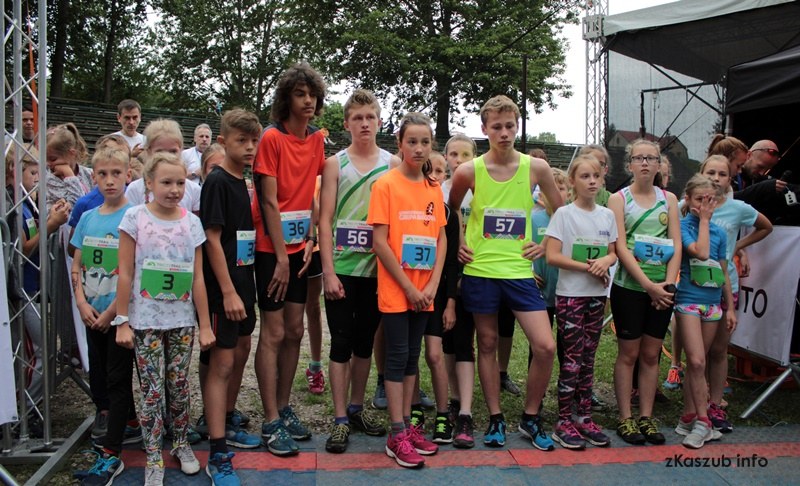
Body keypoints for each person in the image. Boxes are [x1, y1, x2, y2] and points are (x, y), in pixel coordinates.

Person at [448, 95, 563, 451]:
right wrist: (459, 243)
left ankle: (530, 416)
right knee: (487, 343)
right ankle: (495, 417)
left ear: (517, 126)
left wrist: (544, 244)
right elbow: (450, 214)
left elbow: (562, 212)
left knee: (545, 346)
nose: (504, 133)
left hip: (518, 270)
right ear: (484, 129)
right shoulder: (468, 171)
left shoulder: (536, 168)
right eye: (496, 126)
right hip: (481, 269)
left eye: (510, 126)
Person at [115, 152, 214, 485]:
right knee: (152, 390)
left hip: (181, 321)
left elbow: (198, 278)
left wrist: (205, 325)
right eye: (166, 182)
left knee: (179, 384)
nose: (174, 190)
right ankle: (154, 454)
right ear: (149, 183)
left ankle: (181, 443)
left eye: (180, 183)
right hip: (145, 322)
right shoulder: (134, 218)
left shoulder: (192, 223)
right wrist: (122, 320)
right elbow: (125, 272)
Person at [251, 62, 326, 456]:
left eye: (312, 94)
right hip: (272, 250)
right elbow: (268, 201)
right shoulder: (271, 138)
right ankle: (269, 420)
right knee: (274, 332)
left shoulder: (316, 140)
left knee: (296, 330)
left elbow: (312, 193)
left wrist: (311, 236)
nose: (308, 101)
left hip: (301, 248)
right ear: (287, 99)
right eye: (300, 94)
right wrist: (281, 257)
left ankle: (283, 407)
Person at [319, 89, 397, 454]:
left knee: (365, 343)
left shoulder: (393, 164)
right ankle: (338, 419)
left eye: (370, 117)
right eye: (357, 118)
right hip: (342, 268)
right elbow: (324, 220)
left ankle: (355, 408)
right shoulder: (334, 164)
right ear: (347, 123)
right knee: (341, 342)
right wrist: (328, 272)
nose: (364, 124)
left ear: (379, 122)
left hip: (377, 270)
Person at [367, 112, 445, 468]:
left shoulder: (433, 187)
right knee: (397, 358)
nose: (418, 148)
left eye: (425, 142)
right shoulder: (385, 185)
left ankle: (408, 427)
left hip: (424, 292)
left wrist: (431, 285)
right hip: (398, 292)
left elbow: (441, 239)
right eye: (411, 141)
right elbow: (380, 243)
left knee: (413, 357)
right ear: (399, 143)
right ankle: (396, 433)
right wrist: (409, 288)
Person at [199, 109, 263, 485]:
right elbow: (211, 239)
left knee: (238, 352)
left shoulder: (244, 180)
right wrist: (226, 292)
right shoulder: (217, 181)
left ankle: (223, 419)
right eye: (242, 140)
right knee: (221, 363)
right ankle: (218, 452)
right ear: (223, 142)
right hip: (224, 290)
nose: (250, 147)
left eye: (254, 140)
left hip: (244, 283)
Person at [69, 147, 137, 485]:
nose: (110, 180)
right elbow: (77, 265)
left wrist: (113, 313)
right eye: (102, 174)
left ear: (128, 175)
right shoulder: (87, 217)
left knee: (117, 380)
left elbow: (134, 271)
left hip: (120, 316)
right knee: (101, 371)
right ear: (93, 177)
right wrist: (82, 303)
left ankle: (111, 453)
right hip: (91, 313)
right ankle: (131, 423)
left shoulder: (134, 217)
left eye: (116, 173)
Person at [608, 139, 681, 446]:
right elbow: (620, 246)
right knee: (629, 354)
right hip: (630, 288)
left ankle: (646, 416)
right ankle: (625, 416)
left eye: (651, 158)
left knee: (651, 355)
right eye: (639, 158)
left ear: (659, 164)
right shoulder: (618, 199)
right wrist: (648, 286)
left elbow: (676, 243)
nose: (646, 163)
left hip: (662, 291)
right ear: (630, 165)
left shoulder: (670, 199)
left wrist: (667, 285)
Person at [545, 154, 617, 450]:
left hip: (596, 297)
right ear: (572, 181)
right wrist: (588, 267)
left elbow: (613, 252)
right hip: (571, 296)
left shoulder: (607, 215)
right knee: (573, 360)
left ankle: (584, 417)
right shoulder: (564, 214)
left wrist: (605, 262)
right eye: (585, 176)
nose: (592, 181)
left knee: (589, 359)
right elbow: (552, 256)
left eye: (596, 176)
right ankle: (563, 420)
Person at [699, 155, 772, 433]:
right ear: (702, 174)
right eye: (711, 173)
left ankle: (715, 404)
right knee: (698, 352)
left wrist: (739, 246)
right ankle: (697, 403)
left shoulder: (738, 208)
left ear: (730, 179)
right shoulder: (688, 205)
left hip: (725, 285)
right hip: (695, 288)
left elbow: (766, 226)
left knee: (719, 350)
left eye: (722, 174)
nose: (716, 178)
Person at [674, 174, 734, 449]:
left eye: (709, 200)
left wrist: (729, 306)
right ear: (688, 200)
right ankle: (703, 421)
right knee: (697, 361)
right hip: (688, 301)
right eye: (699, 199)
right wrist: (705, 222)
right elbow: (699, 252)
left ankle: (688, 416)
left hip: (713, 304)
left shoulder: (719, 232)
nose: (704, 205)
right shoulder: (683, 226)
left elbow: (723, 271)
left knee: (698, 364)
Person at [409, 152, 456, 445]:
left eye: (440, 171)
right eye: (431, 170)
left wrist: (450, 302)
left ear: (446, 176)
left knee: (434, 355)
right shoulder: (408, 205)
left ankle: (443, 414)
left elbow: (451, 262)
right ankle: (414, 409)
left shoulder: (448, 214)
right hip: (410, 291)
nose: (435, 176)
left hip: (436, 295)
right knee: (411, 355)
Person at [440, 133, 479, 448]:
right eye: (453, 154)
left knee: (466, 340)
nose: (459, 160)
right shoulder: (438, 191)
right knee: (447, 342)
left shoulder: (483, 190)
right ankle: (453, 398)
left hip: (475, 272)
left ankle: (466, 410)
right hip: (443, 275)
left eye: (466, 155)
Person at [125, 120, 202, 214]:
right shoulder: (135, 189)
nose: (167, 157)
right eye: (160, 152)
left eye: (173, 151)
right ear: (148, 152)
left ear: (181, 150)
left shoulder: (193, 190)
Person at [45, 123, 93, 208]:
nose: (48, 163)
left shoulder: (89, 173)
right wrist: (69, 174)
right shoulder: (51, 180)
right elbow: (77, 205)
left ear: (71, 153)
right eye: (45, 159)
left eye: (53, 159)